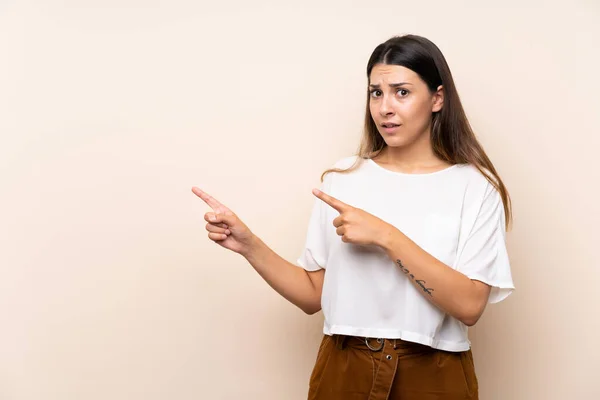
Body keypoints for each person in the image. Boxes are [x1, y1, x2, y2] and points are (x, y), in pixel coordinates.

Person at [192, 34, 515, 400]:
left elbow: (470, 306)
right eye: (376, 92)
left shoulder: (474, 187)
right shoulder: (343, 178)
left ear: (437, 98)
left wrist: (386, 236)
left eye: (402, 92)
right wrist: (249, 245)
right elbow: (313, 295)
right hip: (343, 368)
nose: (385, 107)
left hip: (434, 374)